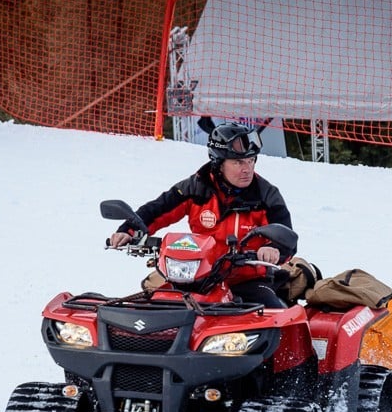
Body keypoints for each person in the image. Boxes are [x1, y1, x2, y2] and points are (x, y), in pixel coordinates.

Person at [110, 121, 294, 308]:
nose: (247, 169)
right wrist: (128, 230)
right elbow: (157, 210)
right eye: (238, 162)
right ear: (219, 163)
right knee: (154, 308)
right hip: (199, 277)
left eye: (251, 160)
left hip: (247, 280)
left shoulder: (266, 196)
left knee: (272, 314)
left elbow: (286, 236)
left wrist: (273, 249)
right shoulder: (196, 187)